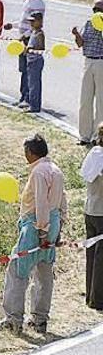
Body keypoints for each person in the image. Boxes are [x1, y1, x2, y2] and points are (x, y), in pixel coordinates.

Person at [0, 134, 67, 334]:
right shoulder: (56, 171)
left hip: (36, 226)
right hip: (52, 225)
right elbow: (62, 201)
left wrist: (42, 231)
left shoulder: (38, 173)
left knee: (18, 270)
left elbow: (41, 202)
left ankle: (13, 318)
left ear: (31, 152)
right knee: (44, 272)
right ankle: (40, 318)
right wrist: (57, 228)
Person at [4, 0, 45, 109]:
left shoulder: (38, 3)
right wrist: (13, 25)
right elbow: (24, 21)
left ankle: (29, 99)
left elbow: (36, 24)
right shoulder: (26, 0)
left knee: (29, 70)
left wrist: (25, 37)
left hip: (30, 39)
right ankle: (23, 97)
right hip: (22, 37)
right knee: (23, 69)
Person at [74, 0, 103, 146]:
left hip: (101, 62)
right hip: (88, 61)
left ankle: (98, 137)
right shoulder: (88, 23)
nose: (97, 12)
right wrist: (76, 35)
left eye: (100, 9)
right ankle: (84, 135)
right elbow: (80, 43)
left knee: (101, 102)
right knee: (85, 100)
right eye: (95, 9)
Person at [81, 122, 103, 311]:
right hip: (102, 212)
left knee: (91, 255)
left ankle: (89, 294)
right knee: (101, 258)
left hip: (90, 209)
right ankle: (98, 300)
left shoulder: (93, 155)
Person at [24, 11, 46, 113]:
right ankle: (30, 102)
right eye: (30, 22)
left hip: (36, 61)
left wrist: (31, 48)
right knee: (30, 83)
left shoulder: (40, 34)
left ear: (40, 21)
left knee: (34, 84)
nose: (31, 24)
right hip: (30, 60)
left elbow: (41, 47)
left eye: (34, 21)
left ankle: (35, 106)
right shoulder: (33, 32)